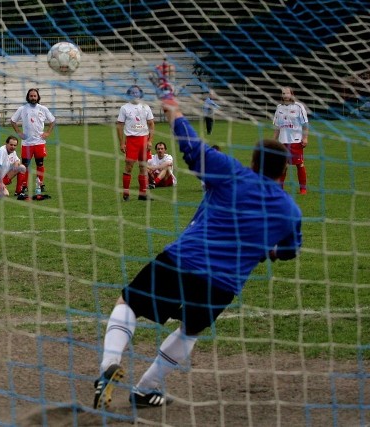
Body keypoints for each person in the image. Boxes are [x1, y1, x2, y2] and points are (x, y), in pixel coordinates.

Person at [93, 85, 303, 411]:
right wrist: (269, 252)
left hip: (182, 259)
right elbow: (290, 250)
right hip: (222, 284)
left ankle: (109, 364)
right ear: (285, 170)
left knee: (129, 302)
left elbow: (191, 147)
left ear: (253, 162)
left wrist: (172, 109)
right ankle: (146, 388)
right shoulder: (291, 211)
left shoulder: (232, 172)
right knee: (190, 331)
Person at [10, 88, 56, 197]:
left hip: (40, 142)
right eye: (31, 96)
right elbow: (13, 121)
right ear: (28, 97)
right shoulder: (22, 109)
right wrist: (19, 133)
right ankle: (24, 185)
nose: (33, 98)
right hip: (27, 143)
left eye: (35, 96)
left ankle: (40, 183)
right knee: (25, 165)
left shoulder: (43, 109)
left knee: (40, 164)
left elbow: (53, 121)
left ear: (38, 97)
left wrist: (48, 133)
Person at [117, 85, 155, 201]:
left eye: (137, 92)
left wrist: (150, 140)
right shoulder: (124, 108)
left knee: (143, 167)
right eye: (132, 93)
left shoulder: (146, 107)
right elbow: (119, 126)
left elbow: (151, 124)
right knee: (129, 167)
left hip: (144, 140)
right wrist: (122, 143)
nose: (135, 94)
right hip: (131, 140)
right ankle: (126, 193)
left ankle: (142, 194)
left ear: (140, 94)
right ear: (129, 94)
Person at [273, 86, 309, 194]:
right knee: (283, 165)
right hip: (282, 141)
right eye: (283, 94)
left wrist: (305, 137)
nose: (285, 96)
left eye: (287, 93)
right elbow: (277, 126)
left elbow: (305, 123)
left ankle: (303, 189)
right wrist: (273, 140)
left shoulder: (299, 107)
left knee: (299, 164)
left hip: (296, 141)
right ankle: (280, 189)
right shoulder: (279, 107)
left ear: (292, 94)